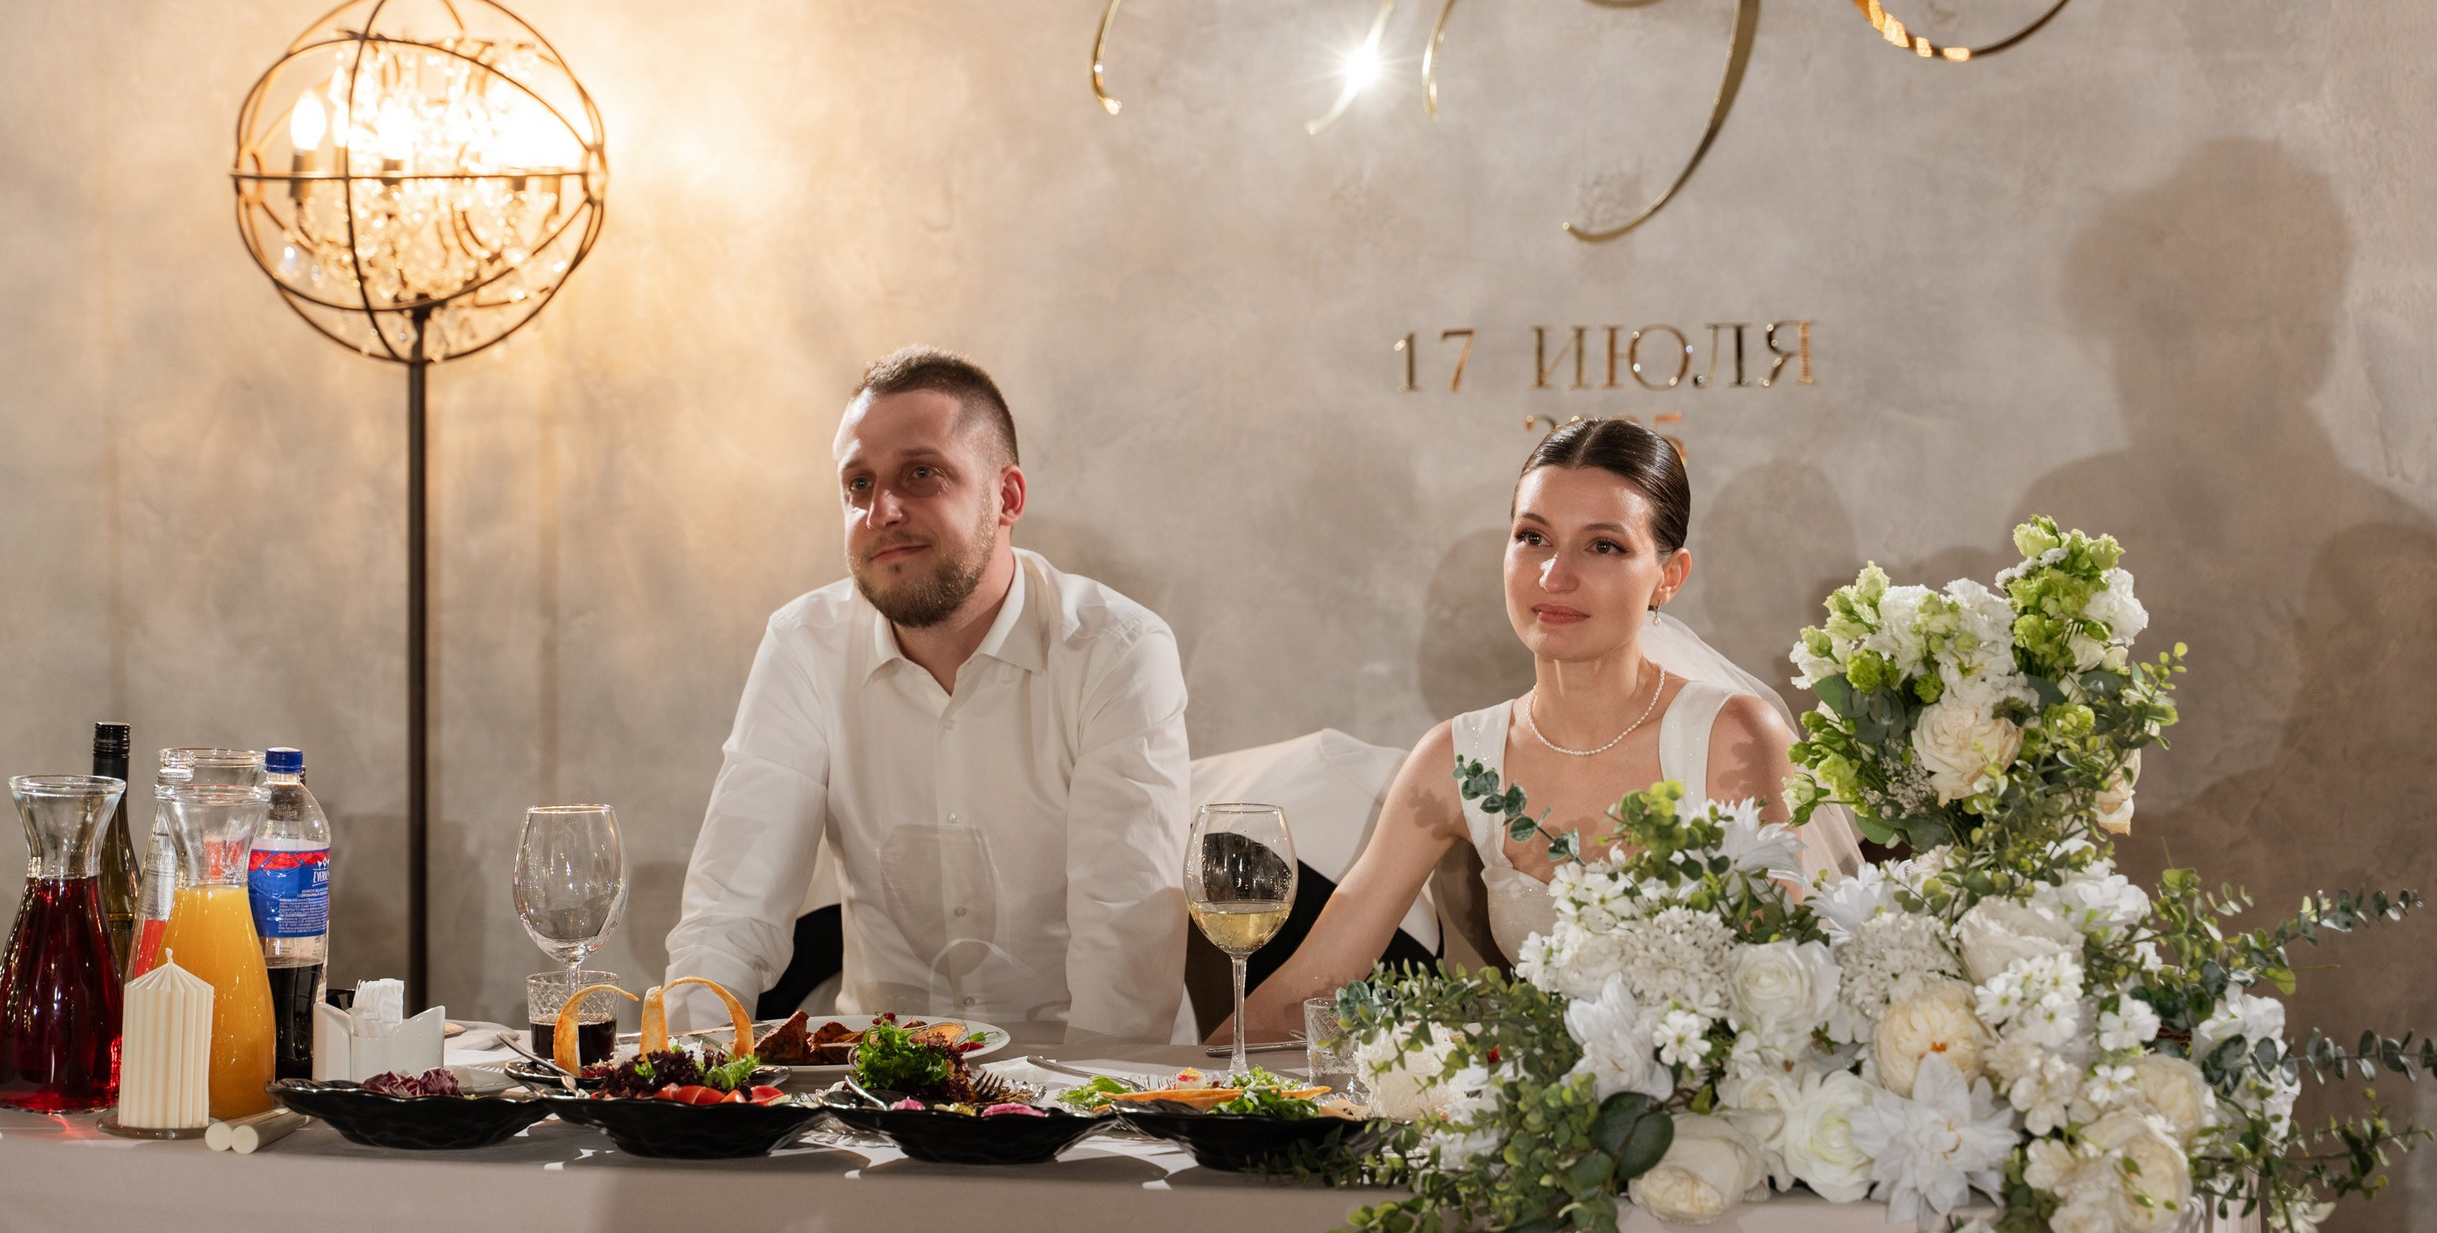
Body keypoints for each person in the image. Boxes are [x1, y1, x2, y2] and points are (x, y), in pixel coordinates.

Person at [1236, 418, 1855, 1042]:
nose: (1554, 576)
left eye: (1604, 545)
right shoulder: (1457, 758)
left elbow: (1791, 992)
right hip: (1533, 1118)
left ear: (1670, 575)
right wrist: (1179, 1092)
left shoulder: (1734, 737)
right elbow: (1311, 986)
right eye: (1533, 537)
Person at [664, 348, 1192, 1043]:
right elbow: (729, 913)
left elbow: (1124, 966)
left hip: (1080, 1093)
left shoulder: (1118, 652)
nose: (883, 509)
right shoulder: (804, 646)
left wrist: (1064, 1121)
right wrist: (681, 1084)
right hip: (881, 1096)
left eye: (921, 473)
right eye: (858, 484)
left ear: (1007, 498)